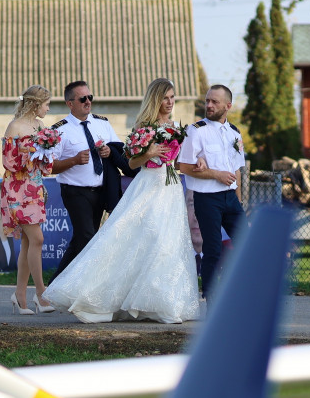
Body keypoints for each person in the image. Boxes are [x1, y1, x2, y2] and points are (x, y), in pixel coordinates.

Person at [44, 78, 201, 324]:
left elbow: (178, 162)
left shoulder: (176, 127)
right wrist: (148, 153)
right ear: (155, 99)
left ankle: (161, 302)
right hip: (146, 186)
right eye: (165, 97)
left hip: (170, 188)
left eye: (172, 97)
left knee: (168, 242)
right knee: (135, 239)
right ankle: (90, 294)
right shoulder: (144, 127)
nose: (170, 102)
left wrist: (196, 163)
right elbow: (131, 163)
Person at [48, 80, 135, 277]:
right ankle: (89, 290)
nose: (88, 102)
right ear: (70, 103)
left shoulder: (102, 123)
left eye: (90, 97)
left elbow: (120, 151)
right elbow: (49, 166)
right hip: (75, 191)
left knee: (80, 240)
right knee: (88, 239)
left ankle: (53, 289)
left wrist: (108, 152)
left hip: (101, 190)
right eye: (82, 99)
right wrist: (73, 160)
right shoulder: (59, 130)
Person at [178, 84, 247, 302]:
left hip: (230, 198)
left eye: (214, 101)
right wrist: (216, 174)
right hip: (206, 198)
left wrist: (239, 200)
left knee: (247, 245)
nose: (208, 105)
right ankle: (210, 298)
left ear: (228, 106)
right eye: (207, 100)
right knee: (213, 249)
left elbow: (236, 169)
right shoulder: (196, 130)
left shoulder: (234, 133)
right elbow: (184, 167)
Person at [0, 85, 56, 315]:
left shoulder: (40, 126)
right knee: (38, 239)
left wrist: (47, 150)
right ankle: (41, 293)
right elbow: (8, 162)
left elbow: (45, 167)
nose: (48, 108)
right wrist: (24, 150)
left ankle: (20, 294)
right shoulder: (14, 126)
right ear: (35, 104)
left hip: (34, 187)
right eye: (46, 104)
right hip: (16, 188)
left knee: (28, 242)